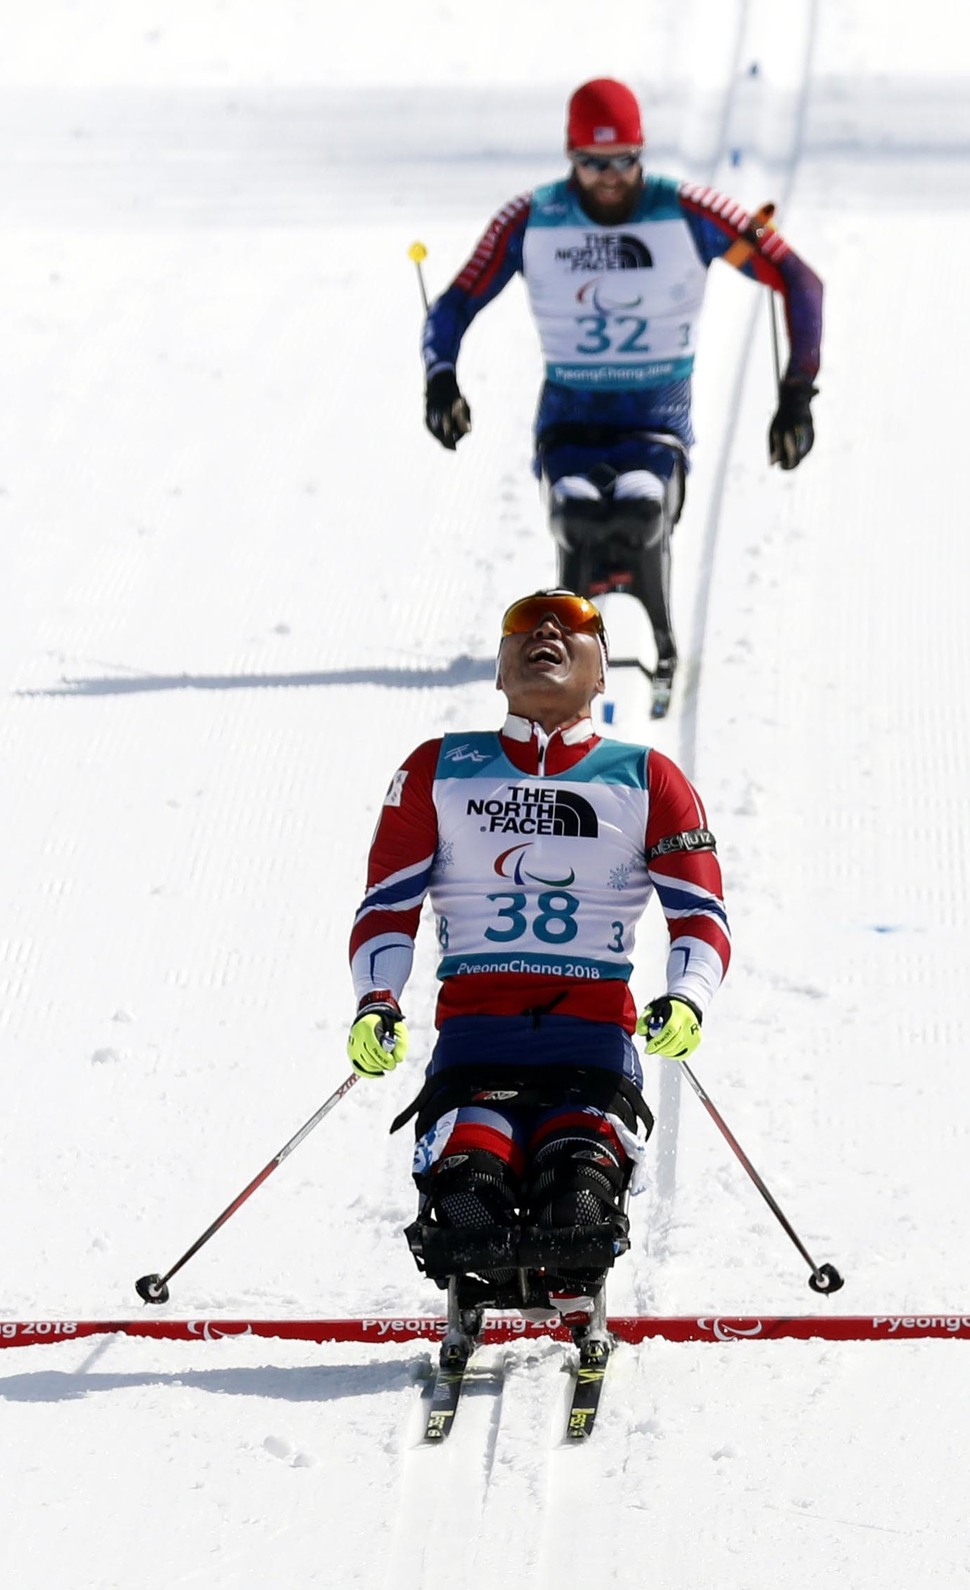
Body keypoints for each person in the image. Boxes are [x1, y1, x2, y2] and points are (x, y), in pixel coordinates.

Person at [346, 589, 731, 1342]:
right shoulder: (438, 768)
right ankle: (477, 1268)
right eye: (524, 624)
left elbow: (701, 915)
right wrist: (376, 1001)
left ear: (601, 674)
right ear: (497, 670)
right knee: (469, 1204)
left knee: (575, 1202)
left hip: (589, 1041)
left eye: (576, 625)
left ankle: (576, 1260)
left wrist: (686, 998)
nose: (547, 630)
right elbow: (386, 905)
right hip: (474, 1040)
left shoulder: (648, 777)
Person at [421, 77, 823, 693]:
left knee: (641, 516)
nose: (609, 177)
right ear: (569, 155)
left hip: (655, 425)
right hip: (569, 426)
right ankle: (568, 666)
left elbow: (798, 280)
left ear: (642, 151)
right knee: (577, 519)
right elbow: (454, 302)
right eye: (591, 162)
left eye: (624, 160)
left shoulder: (687, 212)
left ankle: (658, 640)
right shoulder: (532, 219)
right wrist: (442, 380)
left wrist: (796, 394)